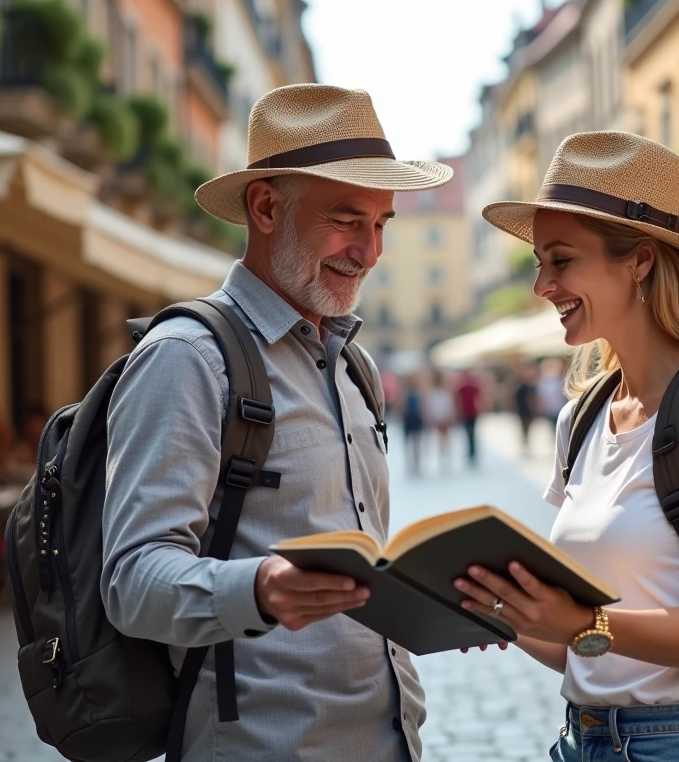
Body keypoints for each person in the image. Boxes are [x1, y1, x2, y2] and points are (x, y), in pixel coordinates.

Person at [101, 84, 453, 761]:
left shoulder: (355, 366)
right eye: (348, 220)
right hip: (263, 743)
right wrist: (260, 588)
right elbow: (132, 581)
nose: (370, 252)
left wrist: (439, 608)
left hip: (390, 741)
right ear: (265, 207)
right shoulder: (187, 359)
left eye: (381, 225)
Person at [455, 132, 679, 761]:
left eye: (560, 261)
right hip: (584, 740)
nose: (541, 286)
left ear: (639, 260)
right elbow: (591, 656)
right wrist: (507, 614)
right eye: (538, 263)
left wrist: (584, 623)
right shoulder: (583, 416)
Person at [423, 370, 456, 470]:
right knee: (442, 439)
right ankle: (444, 457)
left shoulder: (441, 391)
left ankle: (445, 457)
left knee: (444, 439)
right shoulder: (436, 391)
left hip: (441, 416)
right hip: (440, 416)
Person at [454, 369, 483, 467]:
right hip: (466, 412)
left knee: (471, 433)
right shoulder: (463, 386)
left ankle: (472, 453)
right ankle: (471, 452)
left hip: (471, 412)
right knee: (469, 434)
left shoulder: (470, 386)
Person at [513, 364, 539, 454]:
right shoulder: (523, 386)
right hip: (523, 410)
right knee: (524, 428)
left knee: (527, 428)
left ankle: (526, 444)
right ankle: (525, 444)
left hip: (526, 410)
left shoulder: (530, 386)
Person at [402, 374, 426, 476]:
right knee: (409, 442)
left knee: (416, 441)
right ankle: (411, 463)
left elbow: (422, 406)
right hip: (409, 418)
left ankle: (416, 462)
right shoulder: (405, 393)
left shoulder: (418, 393)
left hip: (415, 418)